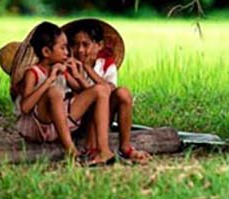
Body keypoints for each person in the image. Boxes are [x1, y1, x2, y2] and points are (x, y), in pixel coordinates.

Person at [14, 21, 116, 165]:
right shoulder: (33, 73)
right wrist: (49, 80)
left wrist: (77, 74)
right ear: (46, 52)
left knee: (101, 90)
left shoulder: (62, 69)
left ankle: (103, 151)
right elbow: (25, 107)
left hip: (59, 124)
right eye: (62, 48)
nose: (67, 52)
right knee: (54, 92)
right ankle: (71, 151)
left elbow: (86, 94)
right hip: (37, 127)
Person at [68, 22, 151, 163]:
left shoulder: (105, 64)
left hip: (102, 116)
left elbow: (110, 90)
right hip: (79, 119)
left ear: (99, 45)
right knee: (98, 95)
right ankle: (94, 148)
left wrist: (89, 69)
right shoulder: (69, 65)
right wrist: (79, 74)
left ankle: (125, 147)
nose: (80, 50)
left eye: (85, 44)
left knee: (123, 93)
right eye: (75, 45)